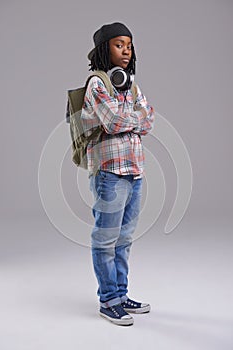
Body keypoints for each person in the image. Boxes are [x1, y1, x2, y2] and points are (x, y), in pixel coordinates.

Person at [81, 22, 155, 326]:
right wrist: (135, 117)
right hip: (109, 174)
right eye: (118, 45)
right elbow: (111, 123)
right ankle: (108, 300)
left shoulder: (133, 85)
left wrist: (134, 118)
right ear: (104, 49)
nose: (126, 51)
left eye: (129, 45)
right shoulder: (97, 84)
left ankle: (122, 295)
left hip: (134, 172)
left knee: (124, 239)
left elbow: (150, 121)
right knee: (105, 238)